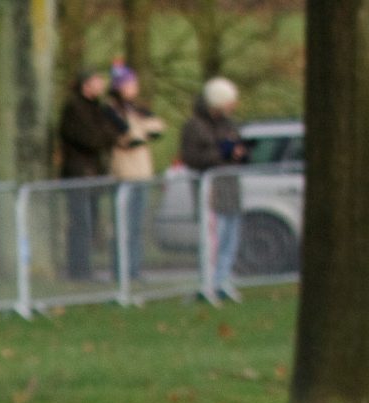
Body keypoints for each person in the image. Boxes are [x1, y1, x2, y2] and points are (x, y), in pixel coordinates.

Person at [180, 77, 250, 296]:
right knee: (213, 237)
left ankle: (223, 280)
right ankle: (208, 283)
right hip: (210, 190)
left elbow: (240, 148)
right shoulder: (194, 126)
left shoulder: (229, 124)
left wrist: (241, 153)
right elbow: (192, 156)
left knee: (231, 236)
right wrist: (223, 153)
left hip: (231, 187)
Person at [57, 69, 124, 280]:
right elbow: (90, 139)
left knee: (91, 221)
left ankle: (86, 268)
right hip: (79, 173)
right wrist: (105, 137)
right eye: (97, 81)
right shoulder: (74, 108)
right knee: (80, 222)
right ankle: (79, 269)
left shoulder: (98, 109)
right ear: (86, 85)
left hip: (94, 172)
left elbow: (115, 131)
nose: (101, 84)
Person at [106, 65, 166, 286]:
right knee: (123, 225)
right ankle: (120, 269)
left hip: (142, 173)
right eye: (131, 84)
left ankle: (134, 269)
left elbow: (157, 127)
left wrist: (140, 130)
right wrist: (140, 131)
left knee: (137, 226)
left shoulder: (135, 109)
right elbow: (127, 136)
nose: (135, 88)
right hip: (124, 174)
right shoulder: (111, 111)